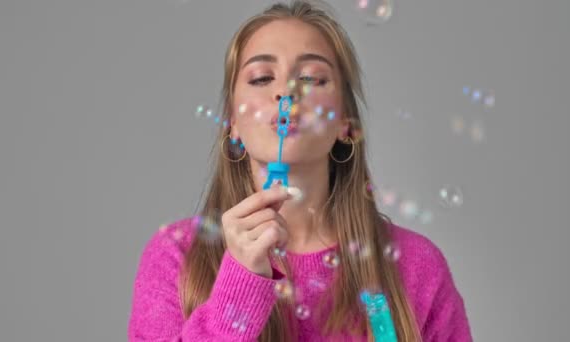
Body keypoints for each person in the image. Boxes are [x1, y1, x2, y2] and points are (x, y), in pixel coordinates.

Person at [128, 1, 473, 341]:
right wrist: (241, 283)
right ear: (232, 124)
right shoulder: (177, 256)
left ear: (345, 124)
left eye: (311, 78)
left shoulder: (416, 266)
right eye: (262, 78)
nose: (286, 93)